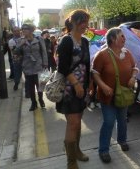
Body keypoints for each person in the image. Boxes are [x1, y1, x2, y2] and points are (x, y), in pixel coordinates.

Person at [92, 27, 138, 164]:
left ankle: (122, 140)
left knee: (122, 120)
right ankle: (104, 150)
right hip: (108, 95)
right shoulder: (102, 55)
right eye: (121, 36)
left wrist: (133, 77)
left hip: (123, 94)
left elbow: (135, 68)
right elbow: (94, 72)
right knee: (109, 121)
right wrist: (103, 86)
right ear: (113, 39)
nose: (124, 38)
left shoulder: (127, 53)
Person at [55, 9, 91, 169]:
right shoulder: (66, 41)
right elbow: (62, 67)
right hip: (70, 90)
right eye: (82, 22)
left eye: (86, 22)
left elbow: (87, 65)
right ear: (74, 22)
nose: (85, 25)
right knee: (73, 123)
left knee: (78, 122)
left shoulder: (85, 42)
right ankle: (71, 161)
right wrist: (76, 84)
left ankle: (76, 150)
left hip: (82, 89)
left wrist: (89, 85)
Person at [15, 24, 48, 110]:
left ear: (31, 30)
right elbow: (16, 52)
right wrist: (21, 45)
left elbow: (44, 51)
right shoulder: (20, 40)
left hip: (38, 65)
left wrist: (45, 63)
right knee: (30, 86)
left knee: (40, 85)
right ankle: (33, 103)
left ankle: (41, 99)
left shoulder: (39, 39)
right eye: (22, 29)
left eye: (25, 29)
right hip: (27, 66)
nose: (23, 31)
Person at [8, 27, 23, 91]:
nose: (16, 32)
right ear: (13, 32)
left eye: (18, 31)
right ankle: (16, 83)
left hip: (25, 59)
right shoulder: (11, 41)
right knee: (17, 73)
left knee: (27, 74)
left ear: (20, 31)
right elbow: (14, 51)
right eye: (15, 31)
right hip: (16, 60)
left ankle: (27, 88)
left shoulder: (23, 38)